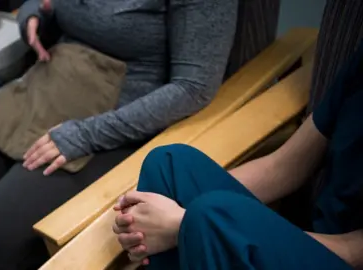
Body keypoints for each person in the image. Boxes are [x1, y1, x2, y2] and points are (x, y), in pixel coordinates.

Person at [0, 0, 239, 269]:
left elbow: (193, 87)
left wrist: (88, 134)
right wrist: (34, 13)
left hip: (121, 113)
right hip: (53, 78)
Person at [112, 23, 363, 270]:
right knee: (168, 164)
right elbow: (283, 165)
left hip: (340, 255)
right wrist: (144, 217)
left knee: (209, 213)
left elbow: (351, 252)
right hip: (307, 239)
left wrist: (184, 224)